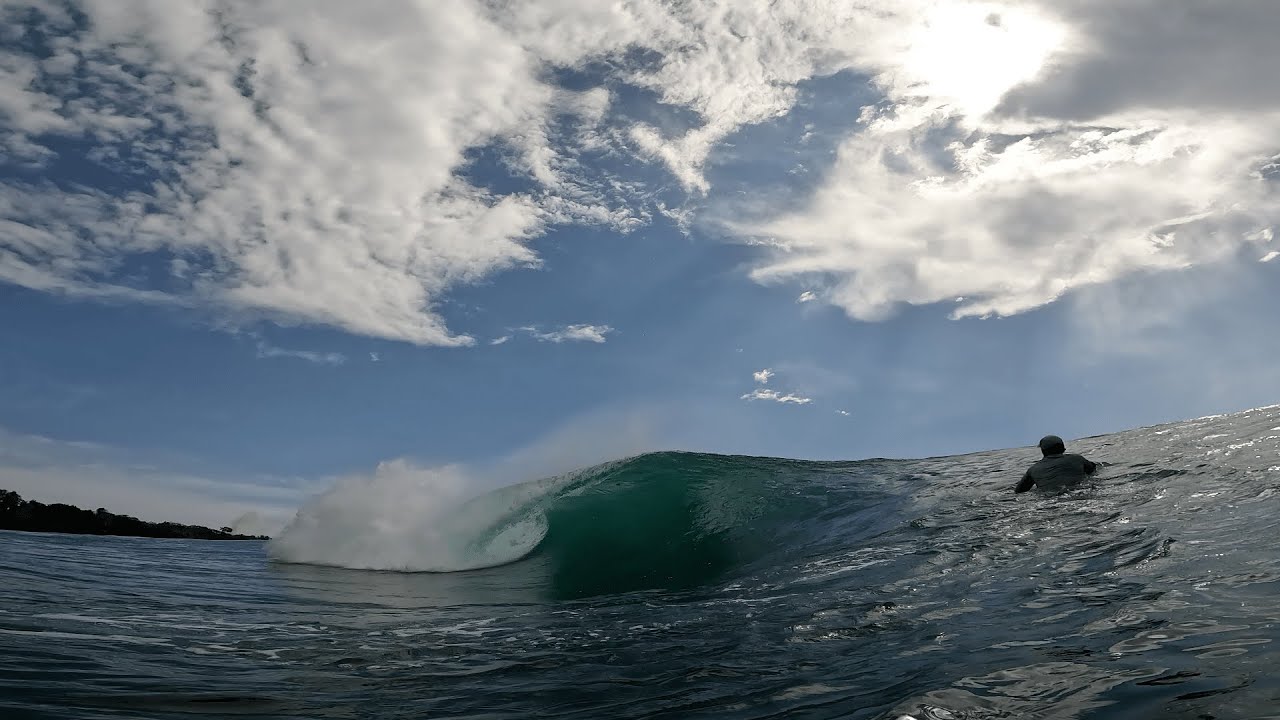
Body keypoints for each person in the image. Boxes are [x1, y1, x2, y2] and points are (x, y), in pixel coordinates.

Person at [1015, 435, 1098, 493]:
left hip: (1049, 499)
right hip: (1079, 492)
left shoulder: (1033, 470)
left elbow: (1019, 491)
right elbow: (1093, 470)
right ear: (1063, 448)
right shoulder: (1077, 459)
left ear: (1043, 451)